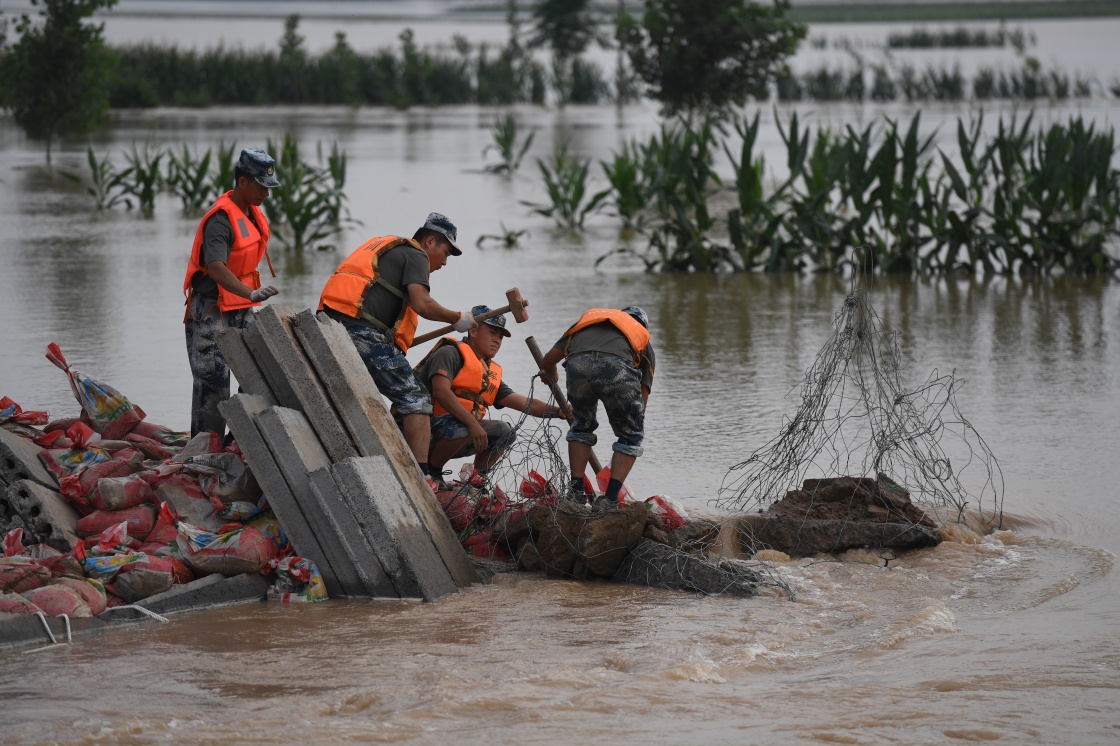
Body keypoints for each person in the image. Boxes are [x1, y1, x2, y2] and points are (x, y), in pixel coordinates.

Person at [318, 212, 476, 484]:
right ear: (429, 241)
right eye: (446, 252)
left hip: (333, 324)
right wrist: (456, 318)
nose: (445, 262)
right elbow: (422, 304)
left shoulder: (390, 248)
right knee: (417, 397)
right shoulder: (416, 255)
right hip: (361, 333)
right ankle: (422, 477)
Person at [416, 305, 571, 489]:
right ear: (472, 331)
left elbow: (525, 403)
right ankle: (432, 473)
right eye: (492, 333)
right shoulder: (449, 353)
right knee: (465, 425)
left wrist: (558, 410)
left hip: (456, 433)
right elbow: (441, 391)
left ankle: (476, 481)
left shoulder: (487, 372)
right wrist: (473, 424)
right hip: (422, 433)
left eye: (500, 336)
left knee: (504, 431)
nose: (497, 340)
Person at [183, 148, 281, 436]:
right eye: (262, 186)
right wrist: (251, 294)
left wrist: (247, 300)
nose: (267, 193)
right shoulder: (221, 220)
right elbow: (216, 267)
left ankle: (239, 443)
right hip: (211, 312)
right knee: (213, 388)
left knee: (261, 373)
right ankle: (203, 454)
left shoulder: (251, 214)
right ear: (242, 182)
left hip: (239, 309)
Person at [538, 306, 655, 510]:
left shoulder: (588, 323)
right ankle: (609, 499)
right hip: (616, 366)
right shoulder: (641, 336)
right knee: (631, 435)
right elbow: (642, 396)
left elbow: (548, 361)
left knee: (581, 425)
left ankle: (576, 492)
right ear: (642, 325)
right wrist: (631, 420)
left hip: (577, 365)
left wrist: (552, 374)